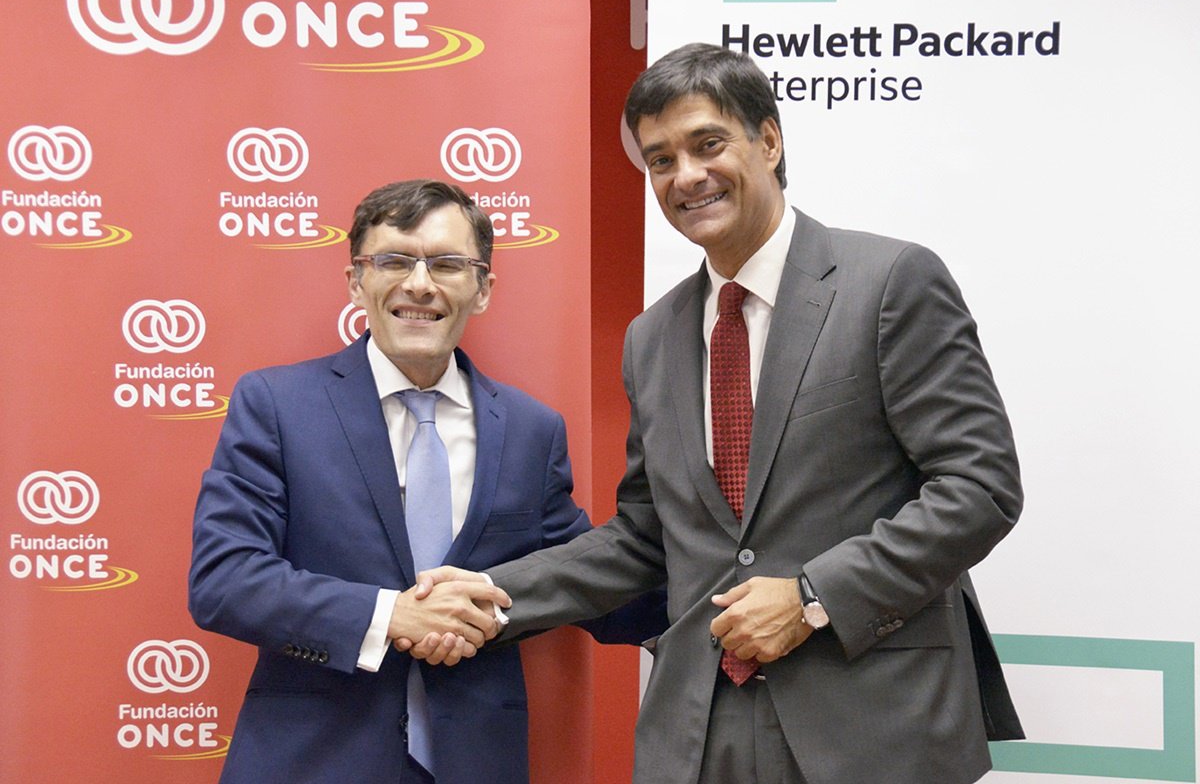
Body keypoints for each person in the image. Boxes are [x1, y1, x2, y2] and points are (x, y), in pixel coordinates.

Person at [412, 43, 1025, 784]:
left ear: (768, 141)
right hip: (702, 728)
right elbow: (647, 537)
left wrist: (811, 598)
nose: (686, 176)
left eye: (708, 145)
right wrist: (494, 596)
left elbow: (979, 488)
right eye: (660, 160)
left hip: (874, 722)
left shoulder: (889, 282)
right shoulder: (652, 337)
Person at [188, 179, 664, 784]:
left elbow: (588, 582)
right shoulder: (277, 405)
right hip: (312, 762)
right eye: (393, 260)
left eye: (446, 264)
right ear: (356, 281)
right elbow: (225, 580)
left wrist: (728, 594)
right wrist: (390, 616)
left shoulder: (530, 430)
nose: (419, 284)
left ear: (482, 288)